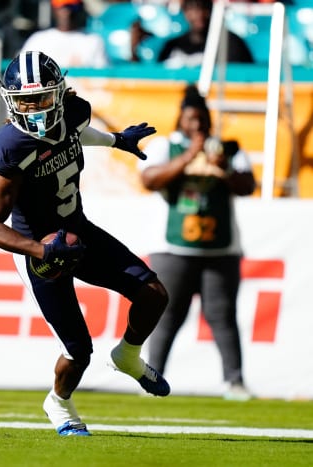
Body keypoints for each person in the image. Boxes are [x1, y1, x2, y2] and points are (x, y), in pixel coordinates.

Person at [0, 51, 170, 437]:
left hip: (77, 229)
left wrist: (116, 141)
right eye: (25, 100)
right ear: (10, 101)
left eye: (42, 97)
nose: (33, 109)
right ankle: (59, 403)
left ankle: (128, 357)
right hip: (38, 250)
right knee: (79, 350)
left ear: (60, 93)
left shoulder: (74, 111)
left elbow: (79, 130)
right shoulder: (9, 147)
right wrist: (40, 250)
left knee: (153, 294)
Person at [138, 84, 256, 401]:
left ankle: (234, 381)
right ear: (181, 120)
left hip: (220, 248)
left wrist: (223, 169)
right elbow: (149, 179)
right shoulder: (167, 146)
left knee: (222, 315)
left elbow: (248, 185)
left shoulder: (228, 149)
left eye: (203, 119)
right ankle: (153, 376)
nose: (198, 125)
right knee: (167, 314)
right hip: (173, 247)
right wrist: (191, 154)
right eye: (192, 119)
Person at [157, 0, 254, 67]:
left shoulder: (230, 43)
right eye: (192, 9)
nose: (199, 15)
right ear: (185, 12)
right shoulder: (172, 46)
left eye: (204, 8)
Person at [19, 0, 108, 68]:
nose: (67, 12)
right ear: (54, 9)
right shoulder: (38, 40)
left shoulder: (93, 40)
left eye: (71, 7)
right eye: (62, 7)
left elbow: (102, 78)